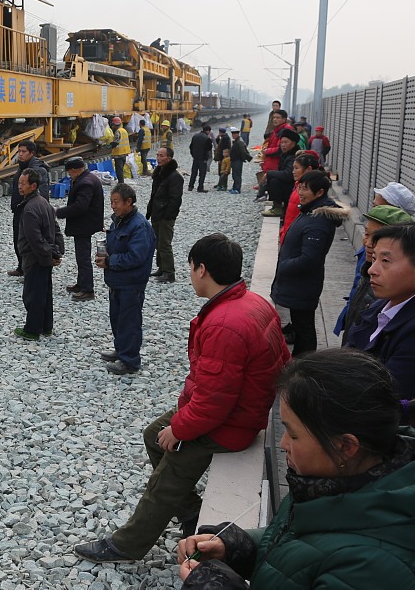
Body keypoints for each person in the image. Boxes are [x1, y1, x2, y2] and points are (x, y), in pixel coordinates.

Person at [178, 348, 415, 590]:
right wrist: (239, 547)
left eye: (293, 434)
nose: (283, 444)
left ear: (345, 446)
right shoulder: (337, 484)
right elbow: (304, 549)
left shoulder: (377, 571)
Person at [77, 233, 290, 561]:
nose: (191, 274)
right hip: (238, 409)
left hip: (230, 423)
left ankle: (127, 545)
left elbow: (214, 402)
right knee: (154, 435)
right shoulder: (252, 303)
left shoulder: (224, 324)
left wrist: (179, 429)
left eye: (191, 267)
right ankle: (190, 512)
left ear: (202, 269)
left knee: (169, 473)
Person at [345, 223, 415, 399]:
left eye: (385, 261)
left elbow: (381, 399)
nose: (372, 270)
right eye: (374, 259)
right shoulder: (380, 308)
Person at [271, 171, 348, 356]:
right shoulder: (311, 211)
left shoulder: (318, 221)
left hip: (303, 284)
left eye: (305, 189)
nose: (300, 192)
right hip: (300, 283)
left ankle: (304, 363)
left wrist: (284, 266)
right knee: (300, 324)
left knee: (304, 327)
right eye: (299, 187)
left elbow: (309, 259)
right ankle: (301, 361)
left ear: (319, 192)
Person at [96, 183, 155, 374]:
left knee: (129, 321)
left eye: (116, 202)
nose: (113, 206)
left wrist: (110, 261)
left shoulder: (139, 226)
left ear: (129, 202)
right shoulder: (118, 221)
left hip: (131, 283)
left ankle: (130, 360)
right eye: (111, 202)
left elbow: (136, 257)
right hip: (117, 281)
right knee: (117, 318)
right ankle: (121, 350)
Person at [335, 205, 414, 343]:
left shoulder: (393, 291)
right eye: (366, 234)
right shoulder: (367, 269)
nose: (368, 243)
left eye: (378, 238)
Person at [15, 168, 63, 340]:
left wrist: (49, 255)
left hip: (35, 258)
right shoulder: (44, 203)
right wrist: (57, 252)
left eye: (23, 184)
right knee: (45, 293)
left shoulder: (30, 209)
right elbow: (56, 229)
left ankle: (32, 330)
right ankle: (46, 326)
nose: (19, 187)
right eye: (19, 183)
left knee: (33, 294)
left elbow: (35, 239)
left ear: (33, 185)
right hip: (45, 257)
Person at [55, 157, 103, 301]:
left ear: (75, 170)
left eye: (70, 172)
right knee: (81, 256)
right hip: (85, 224)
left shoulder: (85, 183)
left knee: (83, 257)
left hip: (84, 225)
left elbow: (81, 206)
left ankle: (87, 289)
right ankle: (81, 283)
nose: (69, 175)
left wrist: (59, 212)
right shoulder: (87, 178)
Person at [7, 140, 50, 277]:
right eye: (19, 151)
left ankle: (30, 270)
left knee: (30, 241)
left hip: (30, 211)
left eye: (23, 151)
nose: (20, 154)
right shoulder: (22, 167)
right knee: (19, 240)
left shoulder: (38, 170)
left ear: (32, 153)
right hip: (19, 209)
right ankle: (22, 267)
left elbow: (43, 193)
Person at [146, 146, 183, 284]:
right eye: (157, 155)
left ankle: (169, 272)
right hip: (157, 213)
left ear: (169, 158)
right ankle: (161, 268)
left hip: (165, 216)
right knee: (158, 242)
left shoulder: (175, 177)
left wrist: (168, 216)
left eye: (161, 156)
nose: (158, 158)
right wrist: (150, 211)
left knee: (165, 244)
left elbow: (175, 199)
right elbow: (154, 195)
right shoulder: (159, 174)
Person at [276, 151, 322, 245]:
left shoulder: (310, 192)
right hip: (289, 236)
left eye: (296, 168)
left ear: (308, 169)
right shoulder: (298, 186)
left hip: (295, 240)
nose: (293, 171)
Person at [260, 128, 301, 217]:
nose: (283, 145)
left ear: (293, 143)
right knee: (273, 178)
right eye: (281, 142)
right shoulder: (285, 154)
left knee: (274, 181)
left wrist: (269, 173)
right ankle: (276, 206)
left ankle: (278, 208)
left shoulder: (293, 157)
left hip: (293, 187)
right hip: (289, 187)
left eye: (286, 142)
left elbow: (288, 175)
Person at [188, 124, 212, 193]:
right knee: (202, 174)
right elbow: (209, 149)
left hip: (195, 158)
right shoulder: (207, 138)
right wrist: (206, 158)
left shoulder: (195, 136)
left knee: (194, 173)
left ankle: (190, 186)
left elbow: (191, 146)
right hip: (203, 158)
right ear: (208, 131)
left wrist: (193, 155)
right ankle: (200, 187)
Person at [227, 127, 250, 194]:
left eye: (234, 134)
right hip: (234, 160)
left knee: (237, 175)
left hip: (237, 160)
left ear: (237, 134)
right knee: (234, 175)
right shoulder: (236, 141)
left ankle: (237, 189)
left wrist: (244, 158)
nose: (233, 135)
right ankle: (234, 187)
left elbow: (243, 152)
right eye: (232, 134)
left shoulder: (239, 142)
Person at [108, 116, 131, 181]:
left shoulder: (118, 131)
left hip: (119, 153)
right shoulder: (124, 130)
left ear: (114, 124)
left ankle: (121, 183)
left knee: (119, 170)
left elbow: (116, 142)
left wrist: (109, 145)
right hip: (125, 152)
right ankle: (121, 182)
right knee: (121, 169)